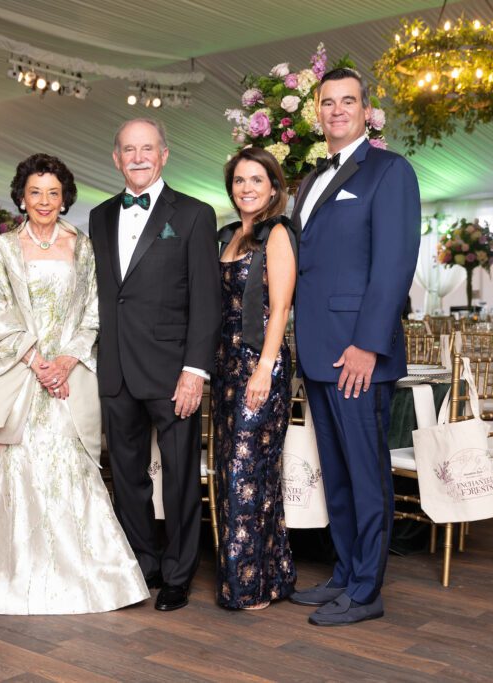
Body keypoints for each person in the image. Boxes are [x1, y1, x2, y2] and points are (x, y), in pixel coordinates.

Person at [0, 154, 148, 614]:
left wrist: (65, 362)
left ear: (64, 198)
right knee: (16, 465)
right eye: (35, 192)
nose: (44, 201)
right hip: (24, 374)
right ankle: (4, 577)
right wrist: (36, 361)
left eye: (53, 193)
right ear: (22, 197)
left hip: (69, 378)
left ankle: (91, 579)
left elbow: (95, 310)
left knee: (74, 466)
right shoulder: (4, 248)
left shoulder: (83, 247)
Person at [287, 67, 420, 625]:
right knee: (336, 476)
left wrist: (368, 344)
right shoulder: (311, 179)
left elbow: (394, 265)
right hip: (318, 351)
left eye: (348, 101)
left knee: (366, 476)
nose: (337, 110)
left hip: (357, 355)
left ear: (367, 111)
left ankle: (367, 591)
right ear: (316, 112)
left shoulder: (390, 171)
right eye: (328, 101)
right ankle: (344, 573)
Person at [88, 119, 221, 611]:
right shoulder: (99, 216)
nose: (138, 157)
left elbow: (206, 301)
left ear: (164, 155)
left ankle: (179, 573)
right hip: (116, 369)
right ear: (116, 158)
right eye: (129, 149)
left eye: (147, 148)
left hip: (172, 373)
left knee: (181, 477)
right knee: (127, 476)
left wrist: (195, 370)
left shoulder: (194, 214)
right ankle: (143, 562)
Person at [213, 147, 298, 610]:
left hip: (260, 365)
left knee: (249, 474)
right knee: (234, 472)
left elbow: (280, 308)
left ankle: (250, 586)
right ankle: (271, 577)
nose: (246, 188)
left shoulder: (277, 233)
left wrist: (264, 368)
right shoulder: (228, 236)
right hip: (227, 366)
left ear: (273, 187)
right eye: (239, 180)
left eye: (256, 180)